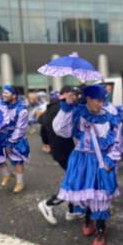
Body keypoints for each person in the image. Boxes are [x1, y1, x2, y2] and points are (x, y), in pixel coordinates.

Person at [52, 85, 122, 245]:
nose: (101, 104)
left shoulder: (109, 117)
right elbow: (60, 129)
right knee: (84, 194)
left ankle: (100, 230)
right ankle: (88, 220)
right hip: (81, 160)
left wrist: (111, 161)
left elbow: (117, 142)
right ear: (88, 99)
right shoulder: (77, 113)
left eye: (102, 100)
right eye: (97, 100)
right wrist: (67, 106)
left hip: (100, 161)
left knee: (99, 196)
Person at [38, 86, 84, 225]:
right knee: (76, 181)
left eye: (76, 94)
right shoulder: (64, 108)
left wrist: (47, 143)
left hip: (61, 152)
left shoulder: (51, 107)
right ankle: (48, 204)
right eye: (73, 94)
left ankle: (72, 210)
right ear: (64, 94)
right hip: (68, 151)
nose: (75, 97)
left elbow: (43, 129)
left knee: (77, 180)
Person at [0, 85, 29, 193]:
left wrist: (11, 143)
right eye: (3, 93)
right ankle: (7, 174)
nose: (3, 95)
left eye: (6, 93)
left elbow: (20, 128)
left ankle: (20, 182)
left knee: (17, 161)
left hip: (15, 138)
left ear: (14, 96)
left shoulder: (22, 110)